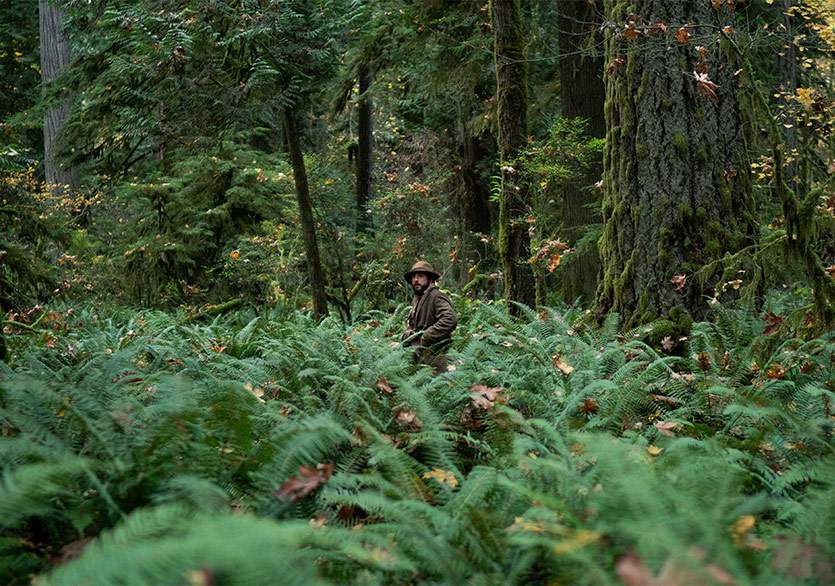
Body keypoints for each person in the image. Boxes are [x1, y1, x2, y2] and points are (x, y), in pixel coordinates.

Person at [402, 260, 457, 374]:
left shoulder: (436, 297)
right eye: (414, 276)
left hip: (436, 357)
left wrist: (426, 336)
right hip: (419, 357)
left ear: (430, 279)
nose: (416, 280)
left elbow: (449, 319)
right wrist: (408, 333)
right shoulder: (418, 299)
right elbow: (413, 325)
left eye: (421, 276)